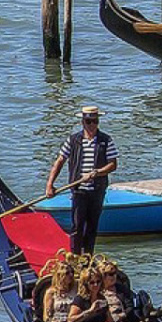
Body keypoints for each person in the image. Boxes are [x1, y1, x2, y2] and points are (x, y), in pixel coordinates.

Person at [44, 106, 117, 257]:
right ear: (83, 122)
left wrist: (97, 173)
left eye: (94, 121)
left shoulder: (106, 140)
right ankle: (75, 258)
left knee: (92, 226)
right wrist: (50, 185)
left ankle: (87, 257)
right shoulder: (73, 140)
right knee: (77, 226)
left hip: (97, 190)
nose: (92, 125)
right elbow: (60, 161)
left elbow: (113, 164)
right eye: (89, 121)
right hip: (78, 189)